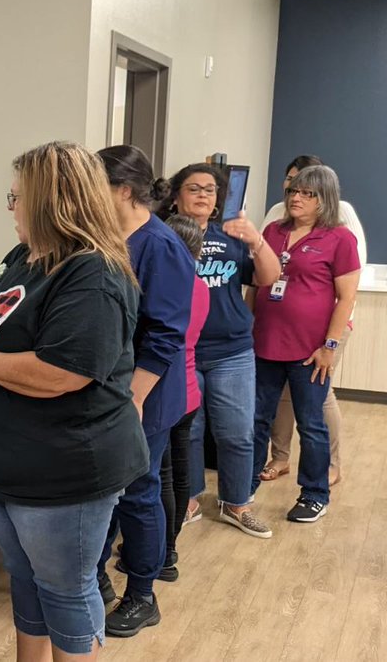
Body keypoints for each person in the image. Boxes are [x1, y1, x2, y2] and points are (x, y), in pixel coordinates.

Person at [0, 141, 146, 661]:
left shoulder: (93, 273)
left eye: (17, 196)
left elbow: (63, 373)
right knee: (25, 578)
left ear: (51, 202)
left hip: (64, 467)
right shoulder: (24, 256)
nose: (10, 207)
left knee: (65, 588)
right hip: (7, 459)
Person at [94, 145, 194, 637]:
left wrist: (134, 398)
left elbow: (165, 335)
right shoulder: (109, 238)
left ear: (125, 191)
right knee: (106, 491)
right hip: (113, 391)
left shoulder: (161, 246)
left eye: (96, 187)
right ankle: (96, 579)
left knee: (137, 492)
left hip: (145, 394)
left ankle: (142, 595)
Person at [162, 163, 279, 540]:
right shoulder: (164, 237)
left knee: (237, 432)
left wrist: (256, 241)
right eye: (193, 188)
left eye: (210, 190)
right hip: (183, 350)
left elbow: (268, 278)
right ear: (177, 196)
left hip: (232, 350)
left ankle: (236, 503)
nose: (202, 195)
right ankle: (191, 499)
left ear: (218, 200)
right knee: (189, 432)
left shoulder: (232, 235)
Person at [250, 165, 359, 522]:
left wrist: (330, 345)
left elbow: (345, 297)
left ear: (324, 198)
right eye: (294, 191)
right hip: (264, 343)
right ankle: (243, 487)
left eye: (308, 193)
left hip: (310, 351)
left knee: (311, 424)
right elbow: (256, 286)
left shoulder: (339, 239)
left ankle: (314, 494)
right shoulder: (273, 231)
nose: (297, 198)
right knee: (256, 420)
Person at [156, 214, 210, 579]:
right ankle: (168, 550)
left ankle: (158, 552)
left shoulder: (167, 287)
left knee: (161, 477)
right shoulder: (200, 286)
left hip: (165, 393)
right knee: (179, 471)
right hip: (189, 392)